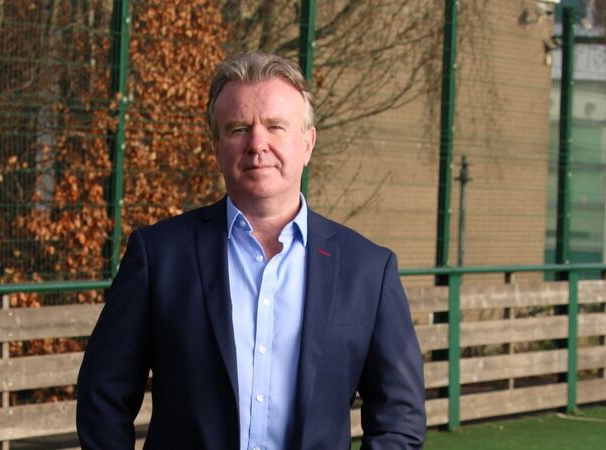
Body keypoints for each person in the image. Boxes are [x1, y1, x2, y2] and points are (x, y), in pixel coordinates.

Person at [77, 51, 426, 449]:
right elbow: (103, 393)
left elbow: (400, 416)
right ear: (217, 147)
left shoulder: (367, 269)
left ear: (307, 144)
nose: (257, 144)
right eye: (239, 128)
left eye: (276, 126)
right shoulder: (159, 256)